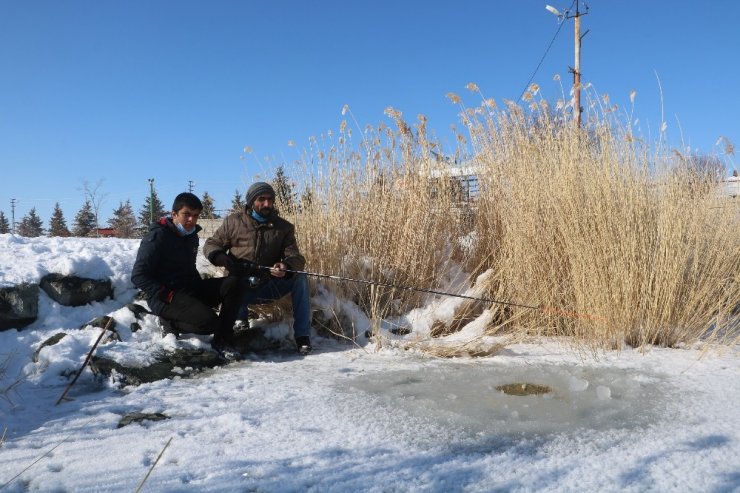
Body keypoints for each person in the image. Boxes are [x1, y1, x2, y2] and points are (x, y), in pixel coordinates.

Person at [203, 182, 312, 355]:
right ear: (251, 201)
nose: (267, 204)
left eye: (270, 199)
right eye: (262, 199)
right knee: (234, 282)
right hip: (239, 289)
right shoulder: (233, 222)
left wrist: (285, 266)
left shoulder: (284, 228)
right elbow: (211, 244)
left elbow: (296, 257)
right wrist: (219, 257)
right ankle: (239, 321)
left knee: (300, 277)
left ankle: (303, 337)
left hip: (268, 286)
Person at [131, 192, 241, 357]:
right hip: (165, 296)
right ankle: (169, 323)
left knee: (234, 283)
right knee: (210, 322)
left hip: (188, 288)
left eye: (195, 216)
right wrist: (165, 294)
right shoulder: (157, 236)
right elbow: (138, 275)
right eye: (186, 214)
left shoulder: (191, 237)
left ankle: (223, 339)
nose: (191, 220)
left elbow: (189, 268)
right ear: (174, 214)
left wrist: (202, 289)